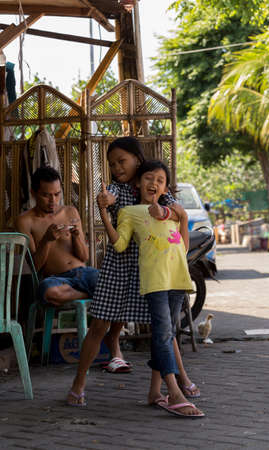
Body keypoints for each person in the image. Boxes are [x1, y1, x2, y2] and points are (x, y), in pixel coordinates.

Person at [67, 137, 200, 409]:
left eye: (122, 161)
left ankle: (172, 383)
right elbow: (109, 199)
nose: (117, 167)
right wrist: (105, 201)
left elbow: (175, 214)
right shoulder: (115, 190)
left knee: (163, 330)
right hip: (118, 267)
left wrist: (167, 211)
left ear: (137, 160)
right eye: (112, 163)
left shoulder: (157, 188)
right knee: (99, 325)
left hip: (150, 269)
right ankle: (78, 384)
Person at [100, 159, 205, 418]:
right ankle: (174, 392)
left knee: (168, 334)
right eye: (149, 178)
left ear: (165, 187)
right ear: (138, 182)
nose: (154, 183)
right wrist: (105, 214)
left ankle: (153, 392)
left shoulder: (171, 210)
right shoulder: (130, 212)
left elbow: (182, 246)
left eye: (160, 180)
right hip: (155, 282)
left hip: (178, 279)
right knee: (161, 334)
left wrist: (181, 216)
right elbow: (120, 244)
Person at [15, 166, 99, 306]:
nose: (53, 200)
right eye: (46, 195)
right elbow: (34, 267)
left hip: (84, 273)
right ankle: (92, 294)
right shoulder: (25, 221)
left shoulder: (70, 212)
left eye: (57, 194)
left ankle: (89, 292)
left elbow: (85, 257)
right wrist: (46, 240)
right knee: (47, 292)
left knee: (115, 282)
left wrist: (76, 237)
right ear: (33, 193)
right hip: (57, 280)